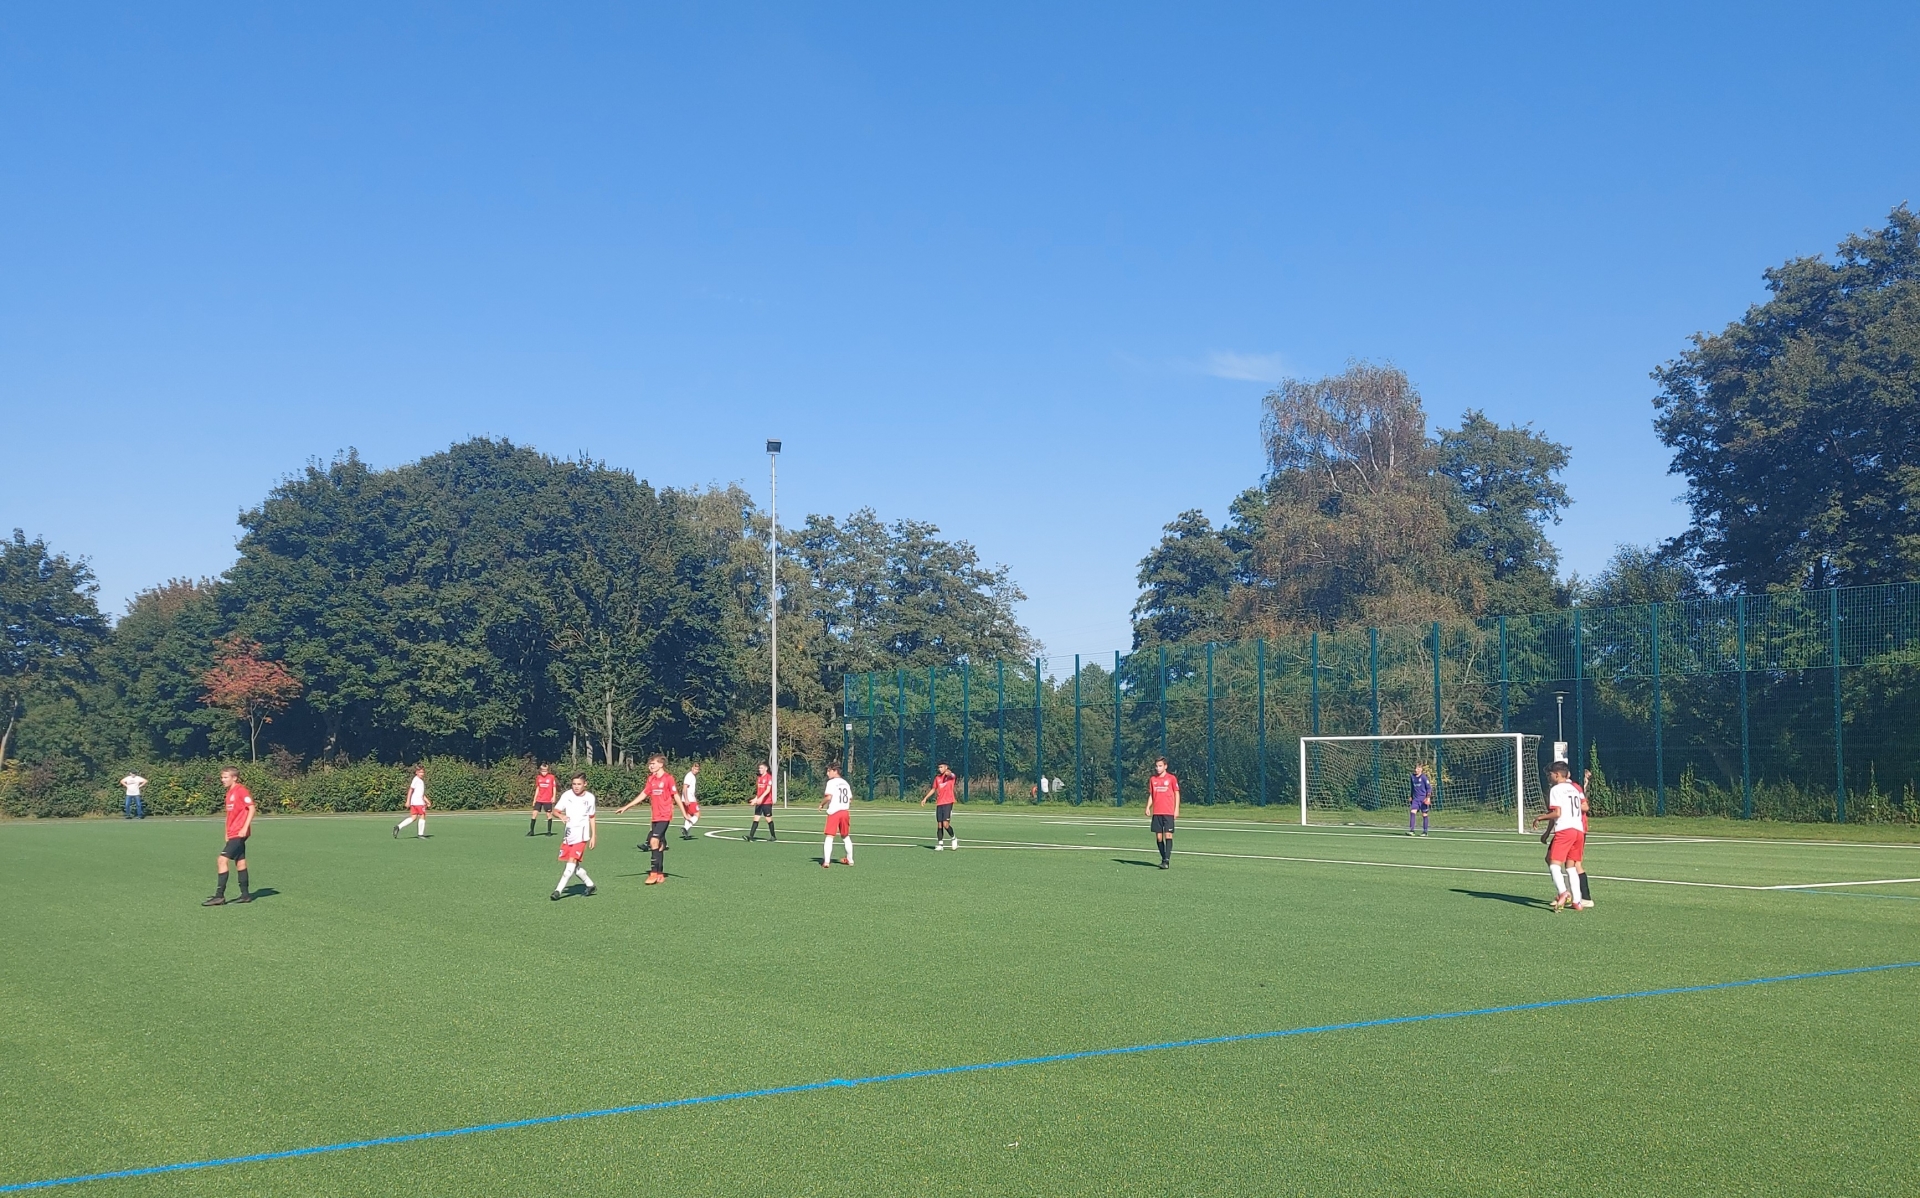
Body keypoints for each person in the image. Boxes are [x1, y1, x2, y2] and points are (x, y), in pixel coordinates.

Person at [1531, 761, 1589, 912]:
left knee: (1554, 864)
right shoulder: (1574, 788)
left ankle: (1563, 892)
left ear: (1557, 775)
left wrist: (1540, 817)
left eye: (1549, 775)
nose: (1548, 778)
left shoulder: (1556, 789)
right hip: (1578, 831)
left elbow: (1557, 813)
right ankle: (1577, 901)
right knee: (1571, 867)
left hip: (1565, 830)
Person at [617, 755, 678, 884]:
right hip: (655, 817)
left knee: (653, 841)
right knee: (659, 845)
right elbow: (643, 795)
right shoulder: (651, 779)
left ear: (661, 764)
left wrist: (685, 812)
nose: (650, 766)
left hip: (665, 815)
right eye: (650, 764)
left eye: (653, 763)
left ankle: (653, 873)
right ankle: (660, 873)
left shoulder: (668, 778)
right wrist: (626, 807)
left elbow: (676, 795)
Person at [203, 767, 254, 906]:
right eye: (222, 777)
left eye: (225, 777)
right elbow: (229, 815)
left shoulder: (241, 790)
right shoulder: (229, 793)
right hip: (233, 833)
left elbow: (251, 808)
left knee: (221, 860)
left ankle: (219, 896)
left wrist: (244, 828)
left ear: (234, 778)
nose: (222, 780)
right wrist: (226, 831)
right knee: (240, 861)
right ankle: (245, 895)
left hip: (239, 832)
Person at [550, 773, 598, 900]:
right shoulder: (567, 795)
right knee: (575, 866)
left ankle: (558, 891)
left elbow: (592, 817)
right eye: (574, 784)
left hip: (582, 836)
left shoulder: (590, 798)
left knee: (570, 865)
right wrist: (561, 815)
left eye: (579, 784)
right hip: (569, 835)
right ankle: (590, 884)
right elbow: (555, 811)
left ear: (585, 784)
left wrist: (593, 836)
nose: (576, 787)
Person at [819, 764, 854, 869]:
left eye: (829, 771)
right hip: (845, 812)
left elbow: (829, 797)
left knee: (829, 836)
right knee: (845, 836)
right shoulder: (845, 783)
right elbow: (850, 799)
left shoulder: (831, 782)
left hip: (834, 812)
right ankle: (850, 860)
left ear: (835, 771)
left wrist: (821, 804)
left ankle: (826, 861)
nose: (827, 773)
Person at [1147, 757, 1179, 869]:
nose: (1158, 768)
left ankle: (1167, 860)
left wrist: (1176, 809)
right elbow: (1152, 795)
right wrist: (1148, 807)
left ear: (1165, 766)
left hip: (1168, 812)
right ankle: (1163, 858)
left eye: (1160, 766)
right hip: (1157, 812)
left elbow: (1176, 793)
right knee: (1159, 838)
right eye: (1156, 766)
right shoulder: (1153, 779)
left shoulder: (1171, 778)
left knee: (1168, 835)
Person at [921, 762, 958, 850]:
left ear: (946, 767)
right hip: (939, 803)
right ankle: (940, 844)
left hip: (948, 802)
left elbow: (952, 774)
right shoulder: (937, 778)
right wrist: (925, 798)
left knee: (946, 824)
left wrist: (949, 772)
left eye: (941, 767)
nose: (940, 769)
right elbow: (934, 789)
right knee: (939, 825)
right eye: (939, 767)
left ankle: (953, 838)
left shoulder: (950, 777)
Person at [393, 766, 429, 838]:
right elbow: (410, 790)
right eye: (420, 772)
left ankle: (398, 827)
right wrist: (408, 801)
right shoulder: (416, 780)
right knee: (422, 815)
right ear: (416, 772)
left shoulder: (420, 781)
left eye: (423, 772)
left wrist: (427, 800)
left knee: (414, 817)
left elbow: (421, 793)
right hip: (418, 802)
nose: (422, 774)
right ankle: (420, 834)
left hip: (415, 802)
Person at [745, 762, 777, 841]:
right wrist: (755, 799)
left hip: (767, 802)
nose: (760, 769)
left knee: (768, 819)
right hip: (759, 802)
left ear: (766, 769)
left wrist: (761, 798)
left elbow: (768, 790)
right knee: (756, 818)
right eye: (759, 768)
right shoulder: (759, 778)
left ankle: (773, 836)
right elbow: (759, 791)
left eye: (761, 768)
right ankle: (751, 836)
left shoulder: (769, 777)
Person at [529, 764, 558, 836]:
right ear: (540, 770)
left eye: (545, 770)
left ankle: (549, 831)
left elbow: (554, 787)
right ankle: (531, 831)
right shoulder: (538, 777)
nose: (544, 772)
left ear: (548, 770)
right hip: (539, 799)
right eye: (542, 770)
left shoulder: (551, 777)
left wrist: (553, 796)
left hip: (547, 799)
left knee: (548, 815)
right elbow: (538, 788)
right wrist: (534, 799)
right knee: (534, 814)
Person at [1408, 763, 1433, 837]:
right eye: (1416, 768)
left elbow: (1429, 788)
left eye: (1418, 768)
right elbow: (1412, 787)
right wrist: (1411, 796)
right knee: (1412, 812)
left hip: (1423, 799)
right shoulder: (1412, 777)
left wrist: (1428, 798)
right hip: (1416, 799)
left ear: (1421, 769)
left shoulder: (1424, 777)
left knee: (1424, 814)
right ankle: (1412, 830)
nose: (1416, 770)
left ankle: (1425, 831)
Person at [679, 762, 702, 839]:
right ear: (692, 768)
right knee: (697, 814)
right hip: (689, 800)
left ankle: (686, 834)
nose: (696, 771)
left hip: (690, 799)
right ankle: (686, 828)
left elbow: (691, 789)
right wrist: (686, 799)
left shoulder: (692, 776)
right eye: (695, 769)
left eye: (697, 769)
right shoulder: (689, 776)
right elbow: (685, 788)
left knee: (688, 815)